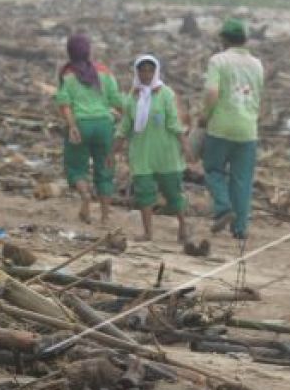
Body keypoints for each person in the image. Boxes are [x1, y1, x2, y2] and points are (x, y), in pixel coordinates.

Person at [200, 17, 264, 241]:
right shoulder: (257, 64)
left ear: (224, 39)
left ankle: (223, 207)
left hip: (221, 126)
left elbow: (211, 93)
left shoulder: (218, 61)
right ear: (245, 40)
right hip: (248, 129)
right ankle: (240, 228)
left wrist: (204, 116)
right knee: (242, 179)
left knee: (213, 170)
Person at [115, 55, 191, 243]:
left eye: (150, 70)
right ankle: (148, 232)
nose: (146, 74)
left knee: (173, 192)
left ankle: (183, 227)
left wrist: (185, 145)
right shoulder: (133, 97)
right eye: (142, 70)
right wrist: (113, 150)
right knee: (144, 193)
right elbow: (125, 126)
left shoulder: (166, 94)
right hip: (141, 153)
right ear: (137, 72)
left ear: (156, 71)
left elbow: (173, 122)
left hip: (166, 153)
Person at [54, 33, 124, 225]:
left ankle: (85, 196)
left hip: (82, 124)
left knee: (76, 167)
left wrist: (72, 126)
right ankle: (105, 216)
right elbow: (116, 100)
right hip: (104, 125)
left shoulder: (67, 74)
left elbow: (64, 103)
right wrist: (130, 118)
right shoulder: (104, 72)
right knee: (105, 169)